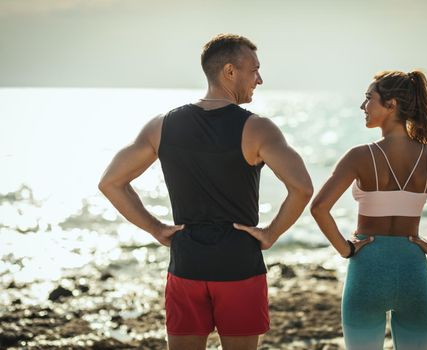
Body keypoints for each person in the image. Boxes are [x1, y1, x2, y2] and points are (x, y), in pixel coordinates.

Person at [98, 33, 313, 350]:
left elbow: (111, 183)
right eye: (254, 70)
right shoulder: (258, 129)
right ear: (229, 71)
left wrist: (156, 229)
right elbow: (302, 187)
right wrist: (270, 234)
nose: (260, 79)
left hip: (187, 263)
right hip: (239, 265)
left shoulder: (162, 125)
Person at [310, 70, 427, 349]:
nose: (363, 106)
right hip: (413, 271)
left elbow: (320, 208)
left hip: (367, 272)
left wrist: (345, 249)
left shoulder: (359, 156)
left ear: (391, 104)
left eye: (369, 98)